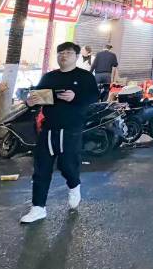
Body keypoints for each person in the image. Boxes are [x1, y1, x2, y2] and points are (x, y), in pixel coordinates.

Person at [20, 42, 100, 224]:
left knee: (67, 165)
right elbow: (36, 96)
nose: (63, 55)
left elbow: (94, 97)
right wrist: (30, 102)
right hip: (48, 128)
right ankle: (38, 207)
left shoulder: (85, 77)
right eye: (60, 53)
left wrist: (76, 97)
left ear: (77, 56)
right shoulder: (49, 77)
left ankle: (74, 184)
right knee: (41, 168)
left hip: (71, 128)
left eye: (68, 53)